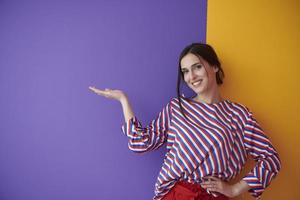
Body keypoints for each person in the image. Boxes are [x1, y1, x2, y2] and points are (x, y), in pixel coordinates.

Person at [89, 43, 281, 200]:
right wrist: (123, 100)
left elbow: (271, 159)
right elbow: (142, 143)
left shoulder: (239, 115)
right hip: (176, 194)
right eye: (185, 71)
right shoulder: (177, 108)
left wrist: (235, 189)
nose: (191, 76)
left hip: (213, 197)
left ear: (214, 66)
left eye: (197, 67)